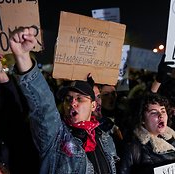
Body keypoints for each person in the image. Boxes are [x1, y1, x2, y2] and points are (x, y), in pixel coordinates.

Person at [9, 26, 119, 173]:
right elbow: (44, 107)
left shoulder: (105, 139)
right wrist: (23, 57)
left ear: (93, 105)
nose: (72, 103)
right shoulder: (57, 137)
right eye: (68, 99)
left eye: (79, 99)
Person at [118, 92, 175, 174]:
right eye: (153, 112)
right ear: (142, 119)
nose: (161, 115)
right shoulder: (133, 148)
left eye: (163, 111)